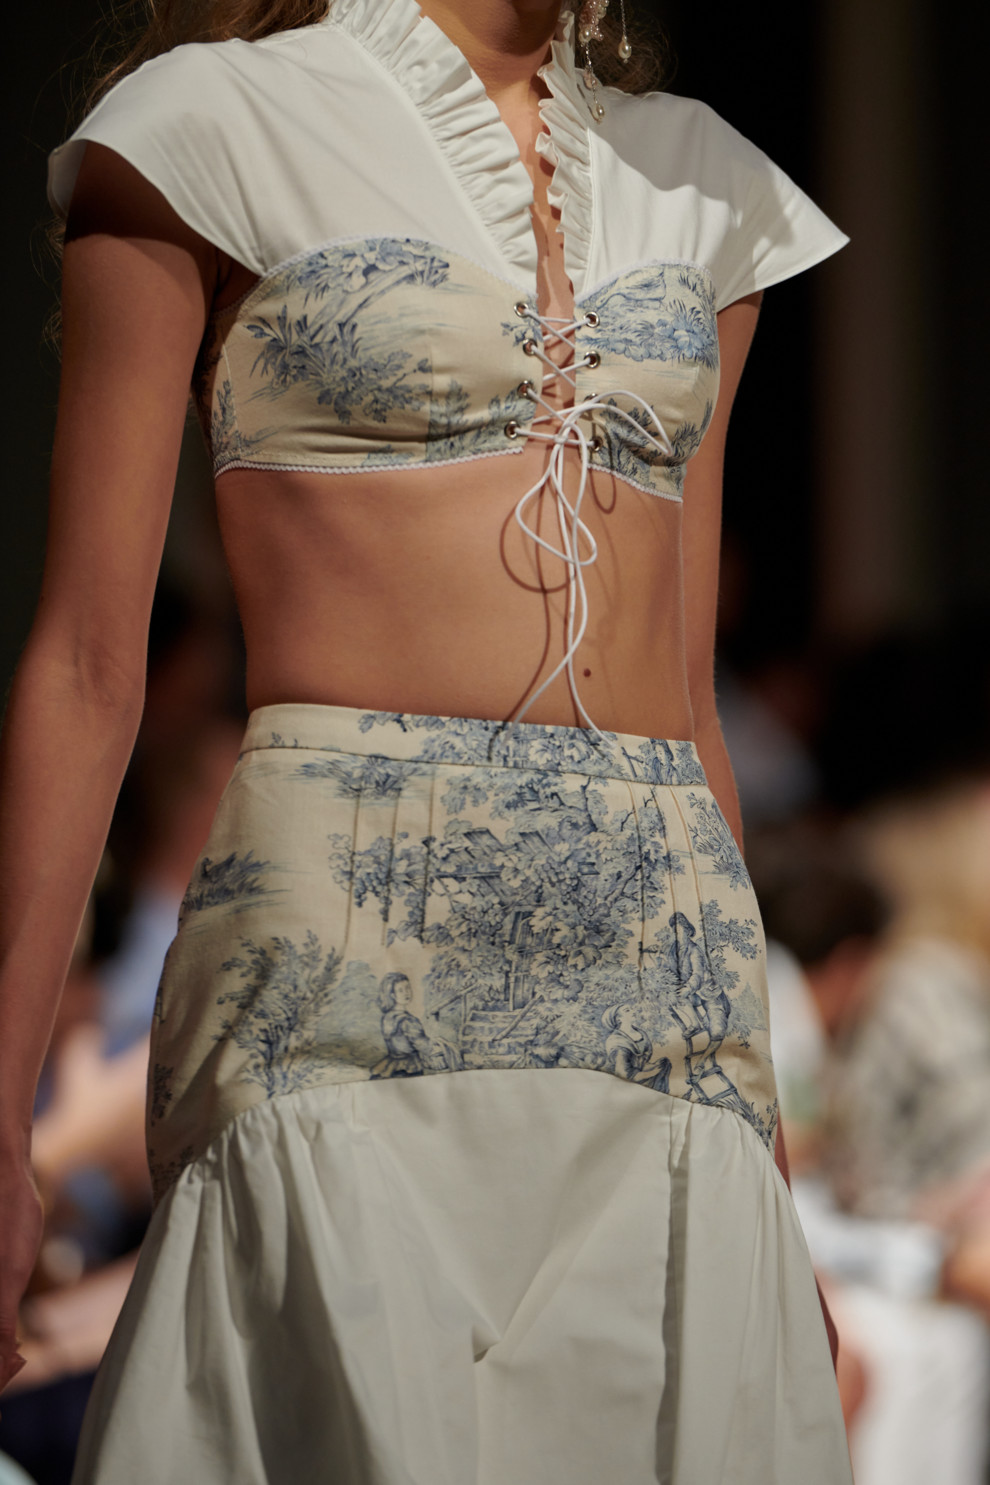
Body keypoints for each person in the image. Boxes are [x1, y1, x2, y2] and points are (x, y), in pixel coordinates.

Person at [0, 0, 852, 1479]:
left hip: (660, 975)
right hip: (336, 959)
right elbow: (86, 662)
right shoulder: (206, 129)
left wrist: (764, 1150)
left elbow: (685, 699)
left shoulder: (702, 183)